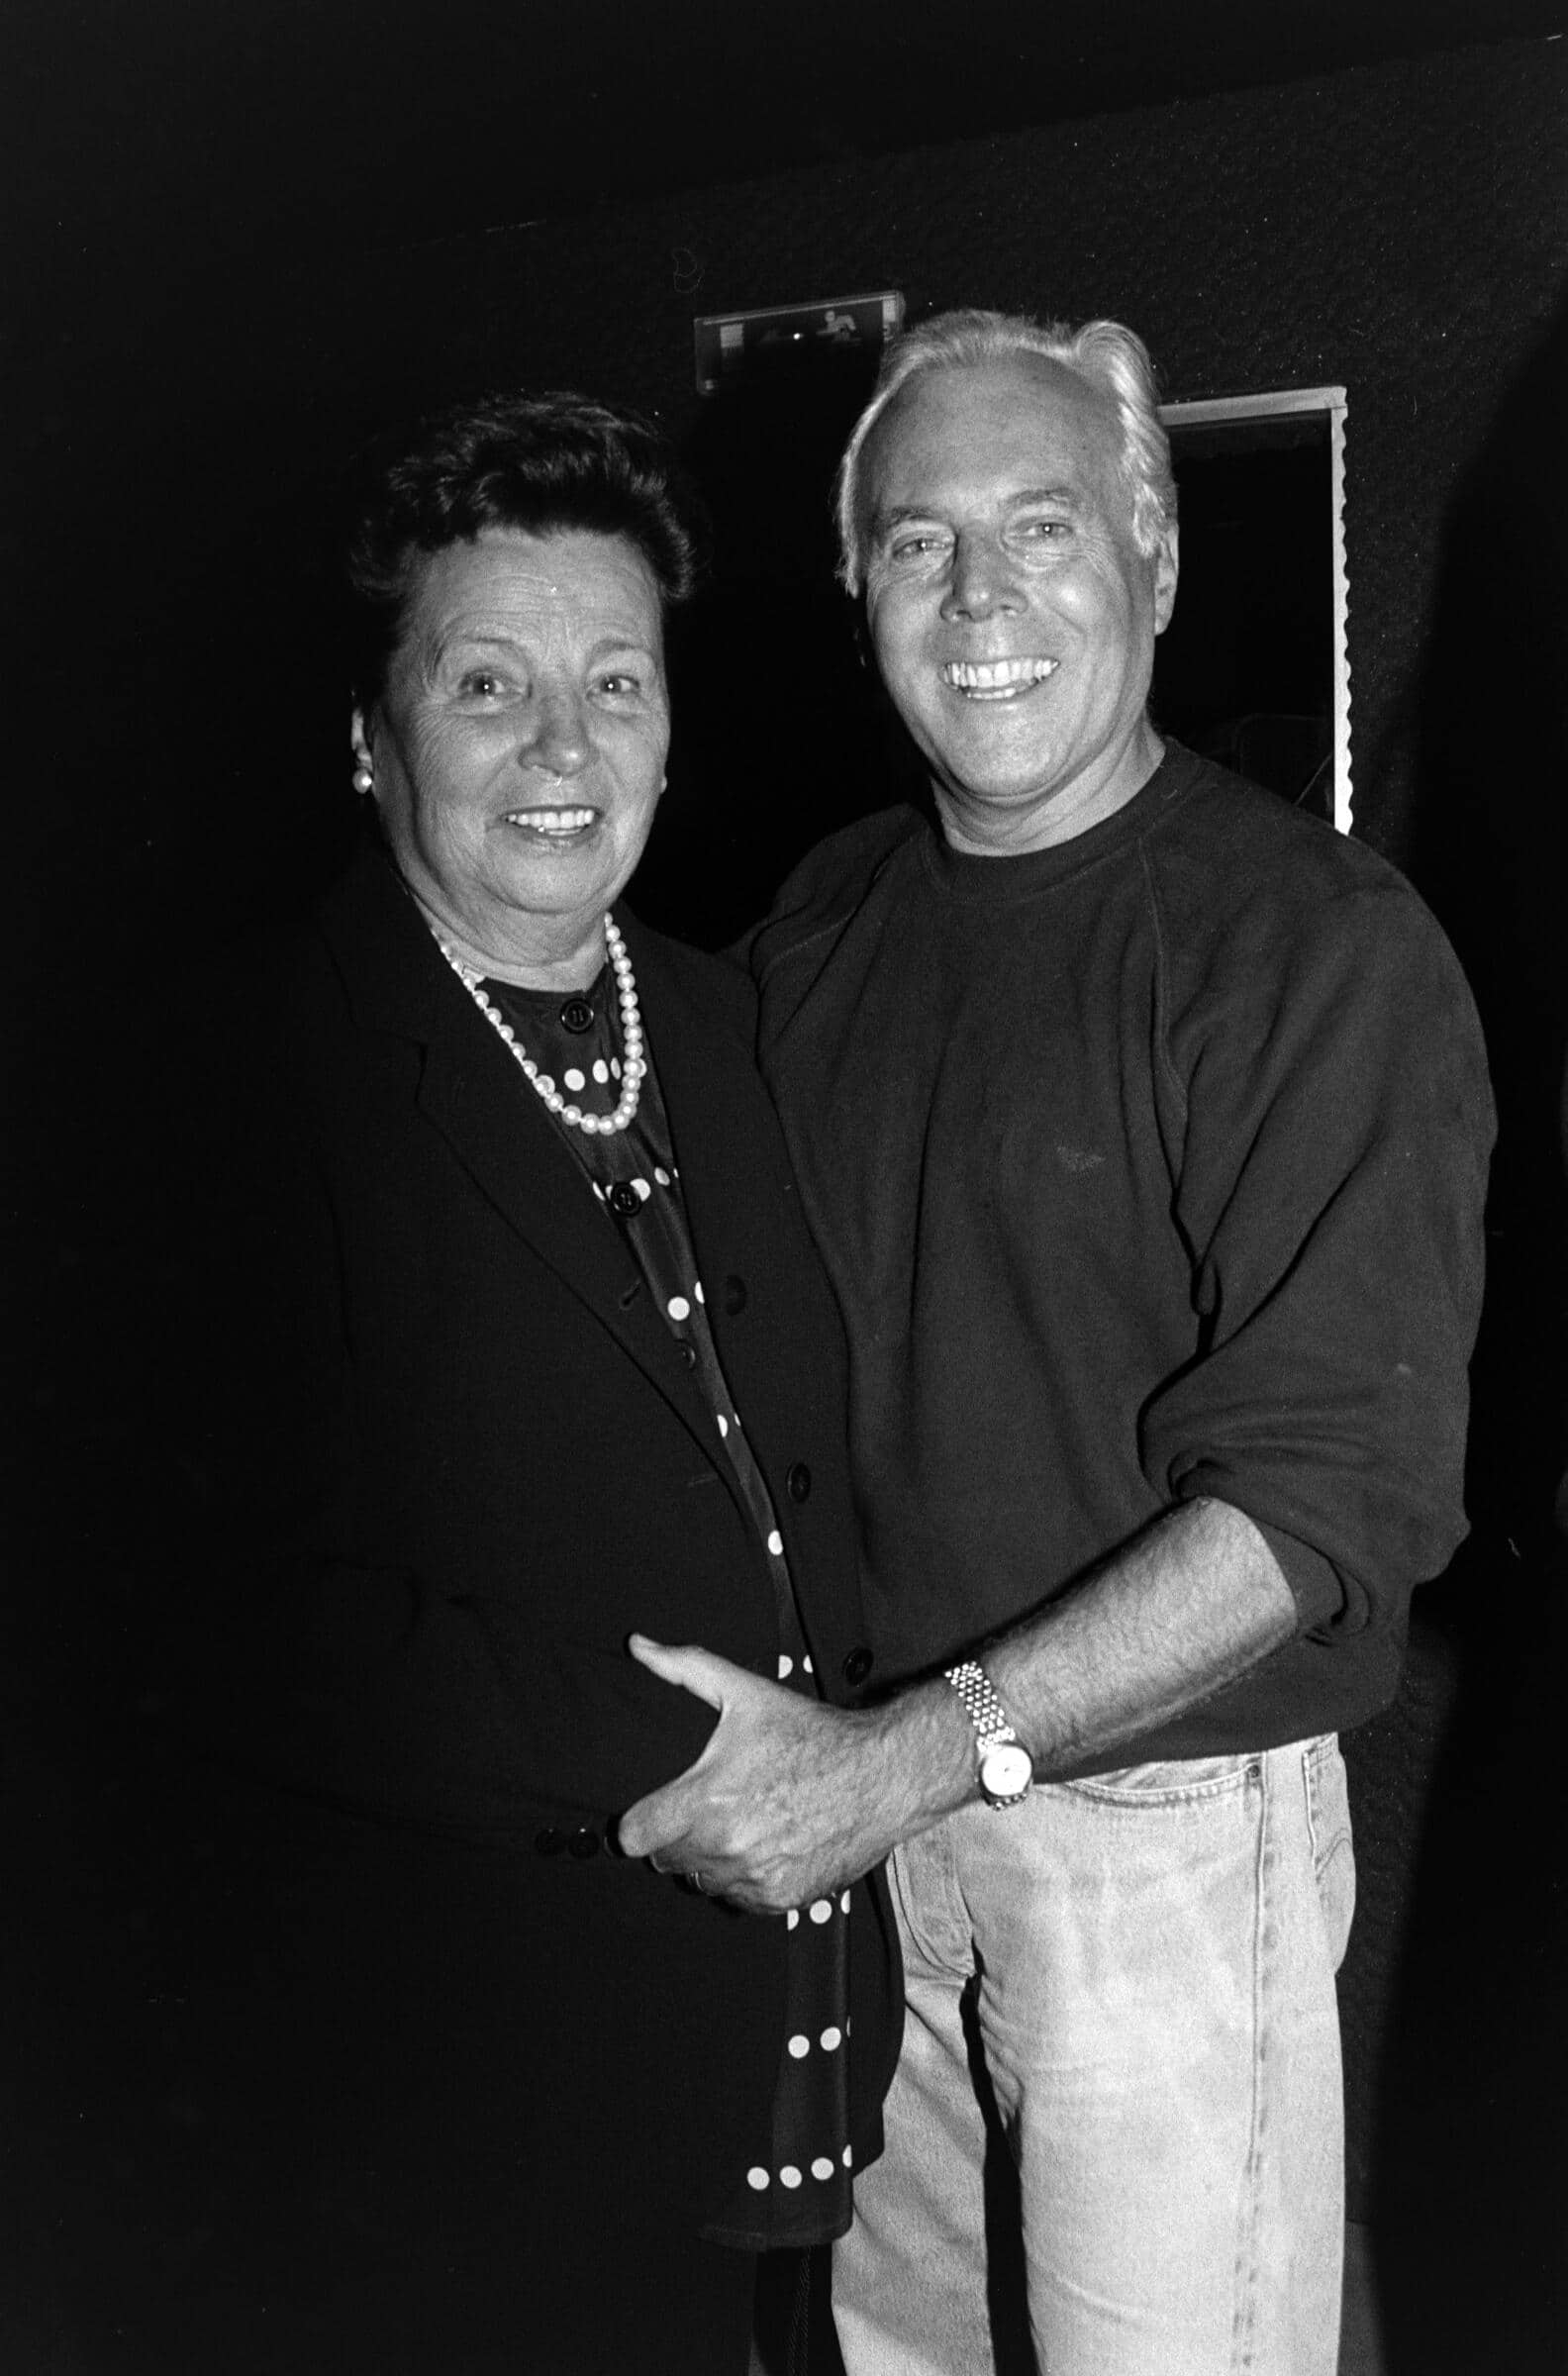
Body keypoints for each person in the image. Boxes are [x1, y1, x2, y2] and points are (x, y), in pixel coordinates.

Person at [617, 312, 1495, 2376]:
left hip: (1166, 1846)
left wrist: (909, 1759)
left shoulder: (1318, 951)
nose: (983, 595)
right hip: (874, 1838)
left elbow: (1316, 1509)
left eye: (1042, 523)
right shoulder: (818, 934)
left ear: (1156, 552)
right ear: (860, 599)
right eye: (920, 545)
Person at [116, 390, 898, 2375]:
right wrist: (677, 1767)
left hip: (777, 2046)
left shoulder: (727, 1026)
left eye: (615, 681)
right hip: (457, 2083)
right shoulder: (230, 1072)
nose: (566, 744)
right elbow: (173, 1611)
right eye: (490, 683)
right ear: (372, 738)